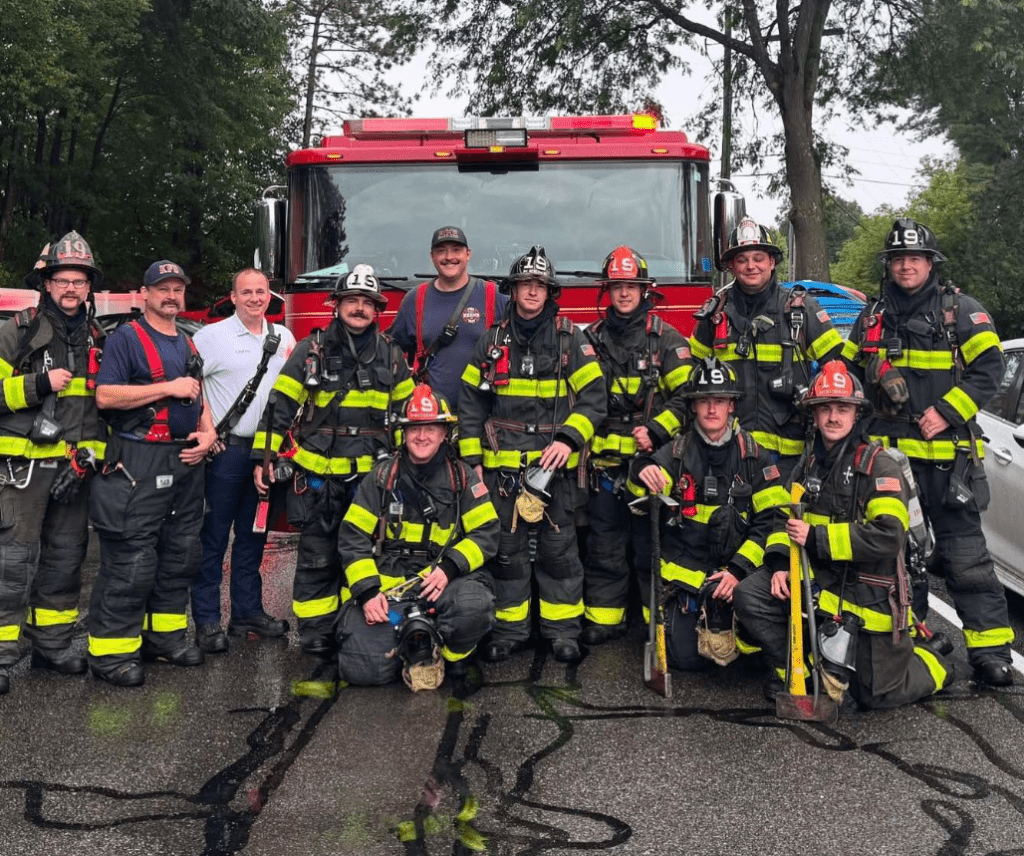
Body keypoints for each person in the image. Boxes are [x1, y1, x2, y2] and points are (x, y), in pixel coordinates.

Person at [733, 361, 967, 709]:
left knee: (875, 694)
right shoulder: (808, 462)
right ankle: (800, 668)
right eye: (825, 408)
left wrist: (817, 538)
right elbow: (785, 518)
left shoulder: (879, 466)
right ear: (813, 415)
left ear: (856, 414)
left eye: (842, 408)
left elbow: (889, 536)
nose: (833, 417)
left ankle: (933, 661)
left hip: (867, 592)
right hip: (822, 584)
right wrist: (782, 562)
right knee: (751, 594)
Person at [841, 218, 1014, 687]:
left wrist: (945, 412)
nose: (905, 265)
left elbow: (991, 369)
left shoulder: (961, 312)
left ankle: (990, 650)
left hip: (945, 460)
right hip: (890, 464)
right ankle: (913, 641)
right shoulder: (872, 316)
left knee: (964, 557)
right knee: (901, 557)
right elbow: (849, 375)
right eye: (897, 259)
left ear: (930, 263)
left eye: (913, 258)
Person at [253, 264, 413, 657]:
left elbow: (409, 416)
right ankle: (316, 635)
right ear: (337, 305)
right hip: (320, 480)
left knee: (366, 556)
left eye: (366, 303)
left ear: (377, 310)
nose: (358, 308)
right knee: (316, 560)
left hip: (371, 482)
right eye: (351, 301)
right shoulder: (312, 350)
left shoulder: (392, 356)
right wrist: (264, 458)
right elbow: (280, 405)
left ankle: (354, 625)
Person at [459, 246, 606, 663]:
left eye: (539, 285)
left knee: (560, 555)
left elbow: (595, 398)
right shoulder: (491, 341)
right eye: (525, 284)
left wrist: (568, 441)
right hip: (502, 472)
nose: (532, 292)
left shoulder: (569, 338)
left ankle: (562, 632)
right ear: (514, 290)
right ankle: (509, 631)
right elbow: (470, 403)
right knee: (507, 554)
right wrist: (473, 464)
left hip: (554, 469)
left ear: (549, 292)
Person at [87, 260, 217, 687]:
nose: (172, 295)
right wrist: (167, 388)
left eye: (178, 289)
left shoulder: (186, 342)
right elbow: (106, 395)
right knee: (133, 560)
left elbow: (198, 395)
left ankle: (165, 638)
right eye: (163, 288)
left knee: (180, 556)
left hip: (182, 462)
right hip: (137, 461)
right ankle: (112, 654)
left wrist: (207, 431)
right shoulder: (126, 339)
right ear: (144, 294)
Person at [627, 357, 788, 670]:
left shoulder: (754, 455)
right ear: (694, 407)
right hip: (689, 574)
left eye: (720, 401)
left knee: (752, 657)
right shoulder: (677, 452)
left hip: (739, 573)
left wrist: (738, 571)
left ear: (732, 406)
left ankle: (741, 625)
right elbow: (636, 497)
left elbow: (773, 521)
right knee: (684, 660)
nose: (712, 409)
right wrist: (641, 472)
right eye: (704, 401)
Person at [0, 232, 107, 695]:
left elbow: (102, 412)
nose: (70, 289)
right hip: (21, 473)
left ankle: (53, 646)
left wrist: (89, 461)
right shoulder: (16, 331)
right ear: (46, 284)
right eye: (61, 280)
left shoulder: (100, 337)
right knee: (13, 562)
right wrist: (38, 384)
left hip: (73, 471)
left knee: (65, 560)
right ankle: (3, 655)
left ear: (89, 288)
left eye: (78, 281)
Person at [335, 384, 498, 688]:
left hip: (442, 586)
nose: (422, 436)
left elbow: (487, 533)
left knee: (473, 606)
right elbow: (352, 537)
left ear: (444, 433)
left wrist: (450, 568)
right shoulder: (382, 478)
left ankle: (446, 653)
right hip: (391, 592)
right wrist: (368, 593)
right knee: (361, 669)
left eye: (431, 428)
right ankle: (407, 640)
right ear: (403, 433)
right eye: (414, 429)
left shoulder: (462, 477)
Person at [580, 246, 692, 645]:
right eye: (617, 286)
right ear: (606, 291)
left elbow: (687, 400)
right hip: (605, 468)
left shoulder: (667, 340)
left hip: (651, 466)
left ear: (645, 290)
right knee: (605, 546)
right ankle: (605, 621)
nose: (624, 293)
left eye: (632, 286)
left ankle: (654, 622)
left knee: (650, 548)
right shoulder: (588, 341)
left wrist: (658, 431)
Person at [190, 268, 296, 654]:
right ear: (232, 297)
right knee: (214, 538)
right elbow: (190, 386)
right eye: (246, 292)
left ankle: (247, 612)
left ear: (271, 296)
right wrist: (207, 431)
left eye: (261, 291)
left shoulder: (283, 338)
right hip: (226, 453)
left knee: (254, 536)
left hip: (265, 452)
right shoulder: (210, 337)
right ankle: (206, 620)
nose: (254, 298)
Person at [689, 216, 844, 478]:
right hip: (725, 452)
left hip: (788, 459)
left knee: (779, 519)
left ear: (772, 262)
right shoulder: (713, 316)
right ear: (731, 266)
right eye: (742, 260)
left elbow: (840, 371)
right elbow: (690, 378)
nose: (751, 266)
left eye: (758, 258)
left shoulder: (801, 310)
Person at [388, 226, 507, 410]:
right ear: (432, 257)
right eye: (441, 251)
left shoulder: (493, 297)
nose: (449, 257)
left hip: (482, 415)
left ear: (468, 254)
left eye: (456, 250)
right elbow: (388, 350)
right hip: (430, 419)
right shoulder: (415, 300)